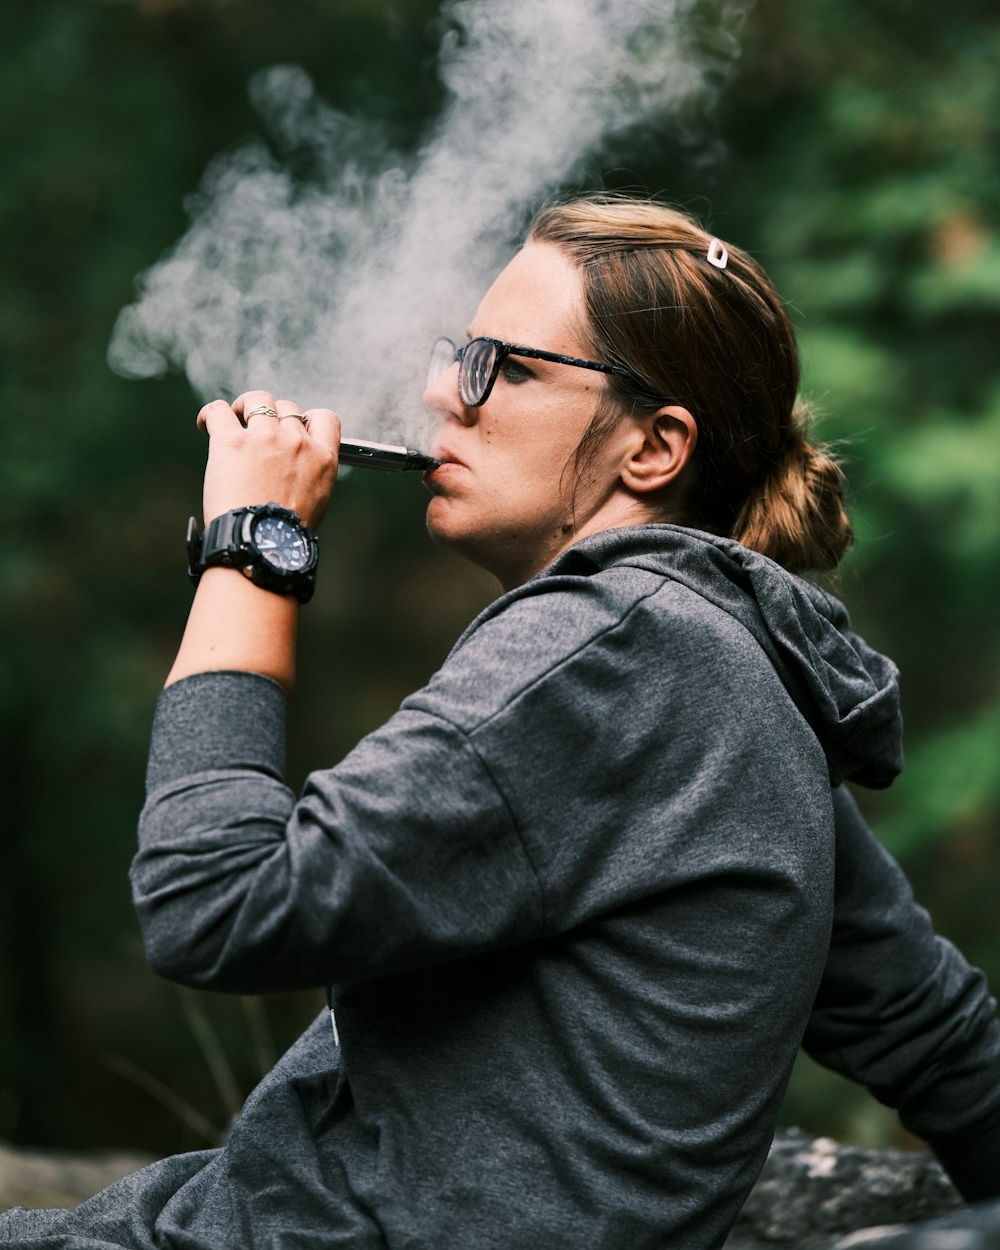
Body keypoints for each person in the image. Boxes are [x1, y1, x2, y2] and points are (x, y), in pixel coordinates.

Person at [2, 196, 999, 1248]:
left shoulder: (612, 647)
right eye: (459, 355)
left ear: (653, 448)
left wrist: (250, 551)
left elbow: (212, 901)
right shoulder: (728, 681)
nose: (443, 393)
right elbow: (937, 1041)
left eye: (504, 368)